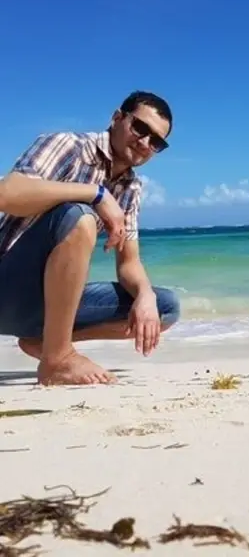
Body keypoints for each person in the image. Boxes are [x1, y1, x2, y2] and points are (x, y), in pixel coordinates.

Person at [0, 90, 180, 386]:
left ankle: (45, 342)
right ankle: (58, 359)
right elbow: (6, 194)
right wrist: (96, 194)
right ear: (117, 118)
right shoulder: (69, 146)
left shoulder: (131, 188)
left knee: (164, 308)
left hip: (43, 304)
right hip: (7, 284)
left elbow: (128, 263)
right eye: (140, 128)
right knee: (79, 217)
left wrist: (145, 295)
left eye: (156, 142)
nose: (145, 142)